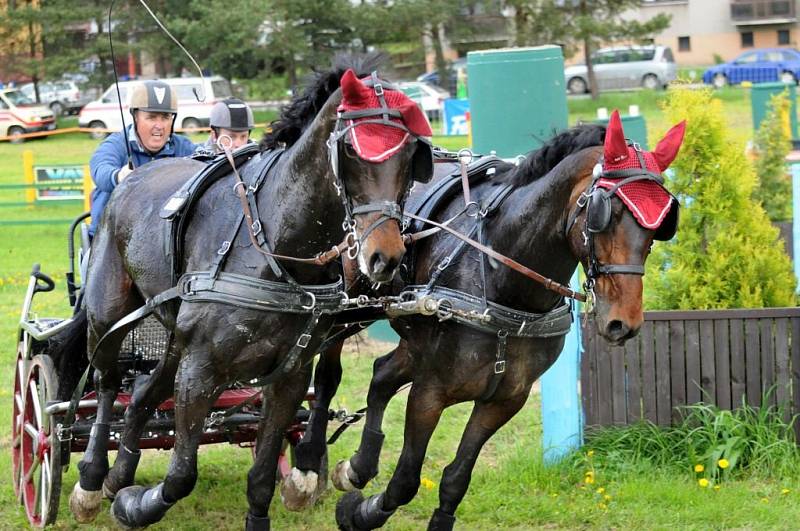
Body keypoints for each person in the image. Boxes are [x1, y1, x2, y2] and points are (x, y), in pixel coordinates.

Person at [88, 79, 197, 237]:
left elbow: (206, 164)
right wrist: (119, 176)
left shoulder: (184, 148)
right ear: (135, 117)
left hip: (165, 240)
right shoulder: (116, 145)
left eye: (166, 117)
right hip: (110, 240)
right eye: (152, 117)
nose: (159, 126)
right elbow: (101, 170)